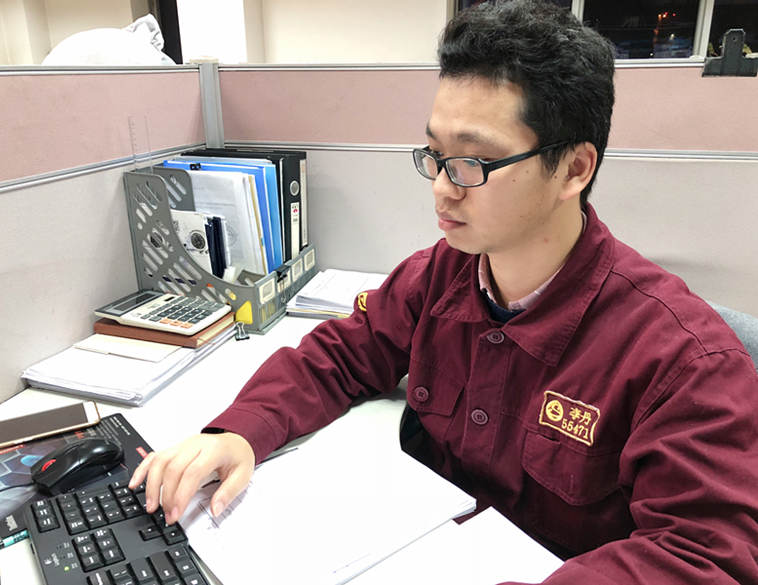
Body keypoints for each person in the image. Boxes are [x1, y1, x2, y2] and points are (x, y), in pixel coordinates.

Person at [130, 1, 758, 582]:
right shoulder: (443, 274)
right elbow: (342, 353)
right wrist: (239, 432)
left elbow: (704, 555)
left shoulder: (685, 360)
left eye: (473, 163)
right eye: (434, 155)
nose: (441, 188)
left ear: (573, 168)